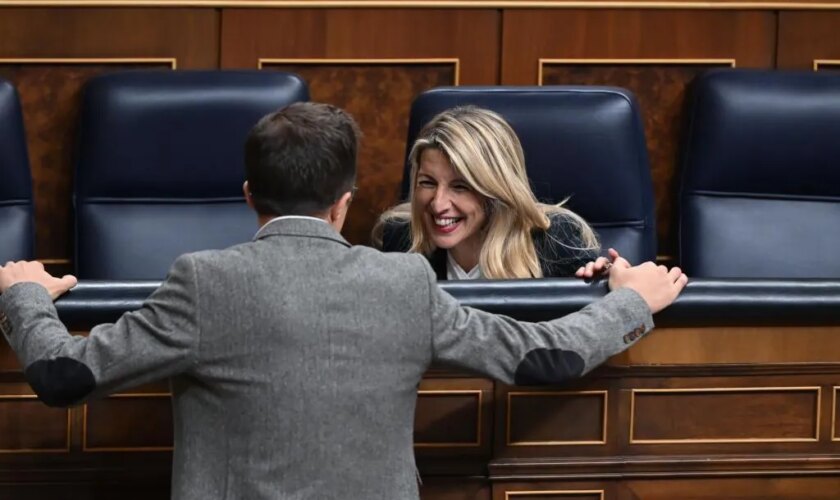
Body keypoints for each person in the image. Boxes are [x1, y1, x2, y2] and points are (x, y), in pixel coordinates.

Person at [0, 102, 687, 500]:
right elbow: (546, 357)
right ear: (345, 203)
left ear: (248, 196)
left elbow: (61, 375)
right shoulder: (405, 281)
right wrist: (634, 301)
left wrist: (26, 293)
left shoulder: (202, 280)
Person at [375, 105, 600, 280]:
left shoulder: (553, 240)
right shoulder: (401, 237)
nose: (438, 204)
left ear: (496, 189)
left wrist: (606, 284)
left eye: (460, 186)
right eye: (428, 183)